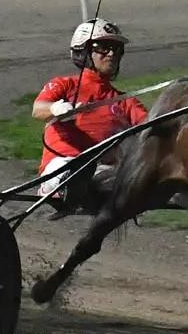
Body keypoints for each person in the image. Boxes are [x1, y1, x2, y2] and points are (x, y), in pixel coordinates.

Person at [31, 20, 149, 211]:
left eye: (117, 49)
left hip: (102, 171)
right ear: (84, 51)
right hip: (63, 164)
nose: (111, 54)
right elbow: (37, 109)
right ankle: (58, 187)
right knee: (73, 169)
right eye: (103, 47)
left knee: (123, 176)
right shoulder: (64, 85)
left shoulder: (125, 100)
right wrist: (56, 109)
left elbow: (151, 125)